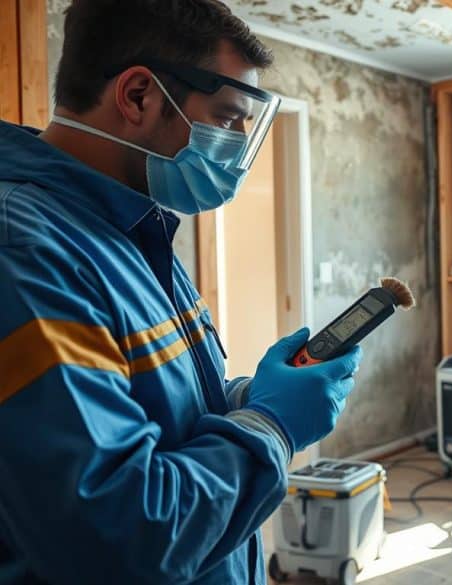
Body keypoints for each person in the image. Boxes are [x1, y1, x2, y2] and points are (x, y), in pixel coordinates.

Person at [0, 2, 361, 583]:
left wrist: (247, 396)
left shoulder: (133, 227)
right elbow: (119, 534)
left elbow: (156, 413)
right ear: (139, 95)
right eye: (226, 118)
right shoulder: (27, 250)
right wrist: (272, 425)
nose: (239, 145)